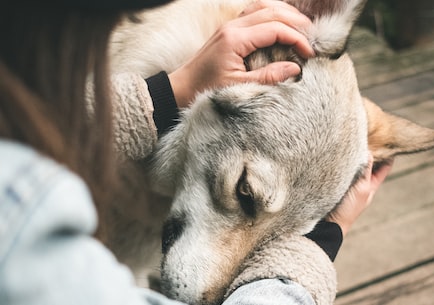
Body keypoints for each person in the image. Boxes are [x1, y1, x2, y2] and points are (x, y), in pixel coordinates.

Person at [0, 1, 393, 305]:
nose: (212, 292)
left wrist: (165, 95)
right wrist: (314, 251)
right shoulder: (23, 224)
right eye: (243, 192)